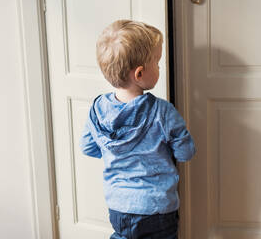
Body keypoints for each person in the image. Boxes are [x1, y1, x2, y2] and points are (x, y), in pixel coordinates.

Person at [80, 20, 196, 239]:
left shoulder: (97, 110)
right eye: (158, 63)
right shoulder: (162, 112)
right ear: (140, 74)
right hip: (157, 207)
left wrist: (118, 153)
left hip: (119, 206)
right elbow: (186, 152)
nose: (160, 68)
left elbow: (88, 147)